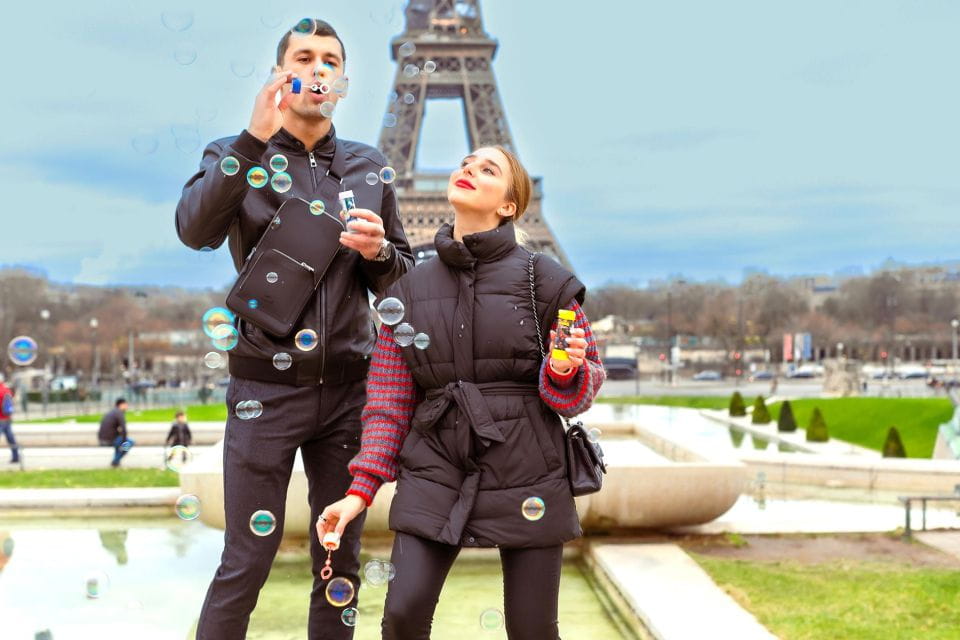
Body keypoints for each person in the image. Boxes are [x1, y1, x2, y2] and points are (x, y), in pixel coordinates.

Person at [175, 18, 414, 640]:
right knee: (246, 560)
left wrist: (381, 253)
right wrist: (251, 142)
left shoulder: (368, 166)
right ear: (281, 74)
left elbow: (406, 285)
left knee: (340, 561)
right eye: (303, 56)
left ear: (342, 82)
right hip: (264, 390)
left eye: (329, 60)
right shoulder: (233, 153)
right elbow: (195, 230)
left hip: (347, 395)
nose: (317, 67)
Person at [319, 146, 606, 640]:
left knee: (533, 628)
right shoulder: (406, 292)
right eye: (466, 163)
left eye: (488, 169)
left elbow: (580, 391)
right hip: (436, 463)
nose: (469, 170)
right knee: (402, 616)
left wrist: (563, 372)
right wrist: (359, 490)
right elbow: (388, 401)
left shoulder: (547, 281)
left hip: (528, 465)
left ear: (510, 205)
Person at [98, 398, 133, 468]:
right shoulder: (119, 413)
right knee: (130, 443)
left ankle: (116, 462)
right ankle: (116, 460)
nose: (127, 407)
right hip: (109, 439)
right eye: (126, 405)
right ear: (121, 405)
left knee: (119, 443)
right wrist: (124, 441)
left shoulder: (112, 412)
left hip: (103, 438)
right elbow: (124, 429)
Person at [0, 374, 18, 464]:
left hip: (0, 418)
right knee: (11, 438)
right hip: (7, 418)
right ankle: (16, 456)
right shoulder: (7, 390)